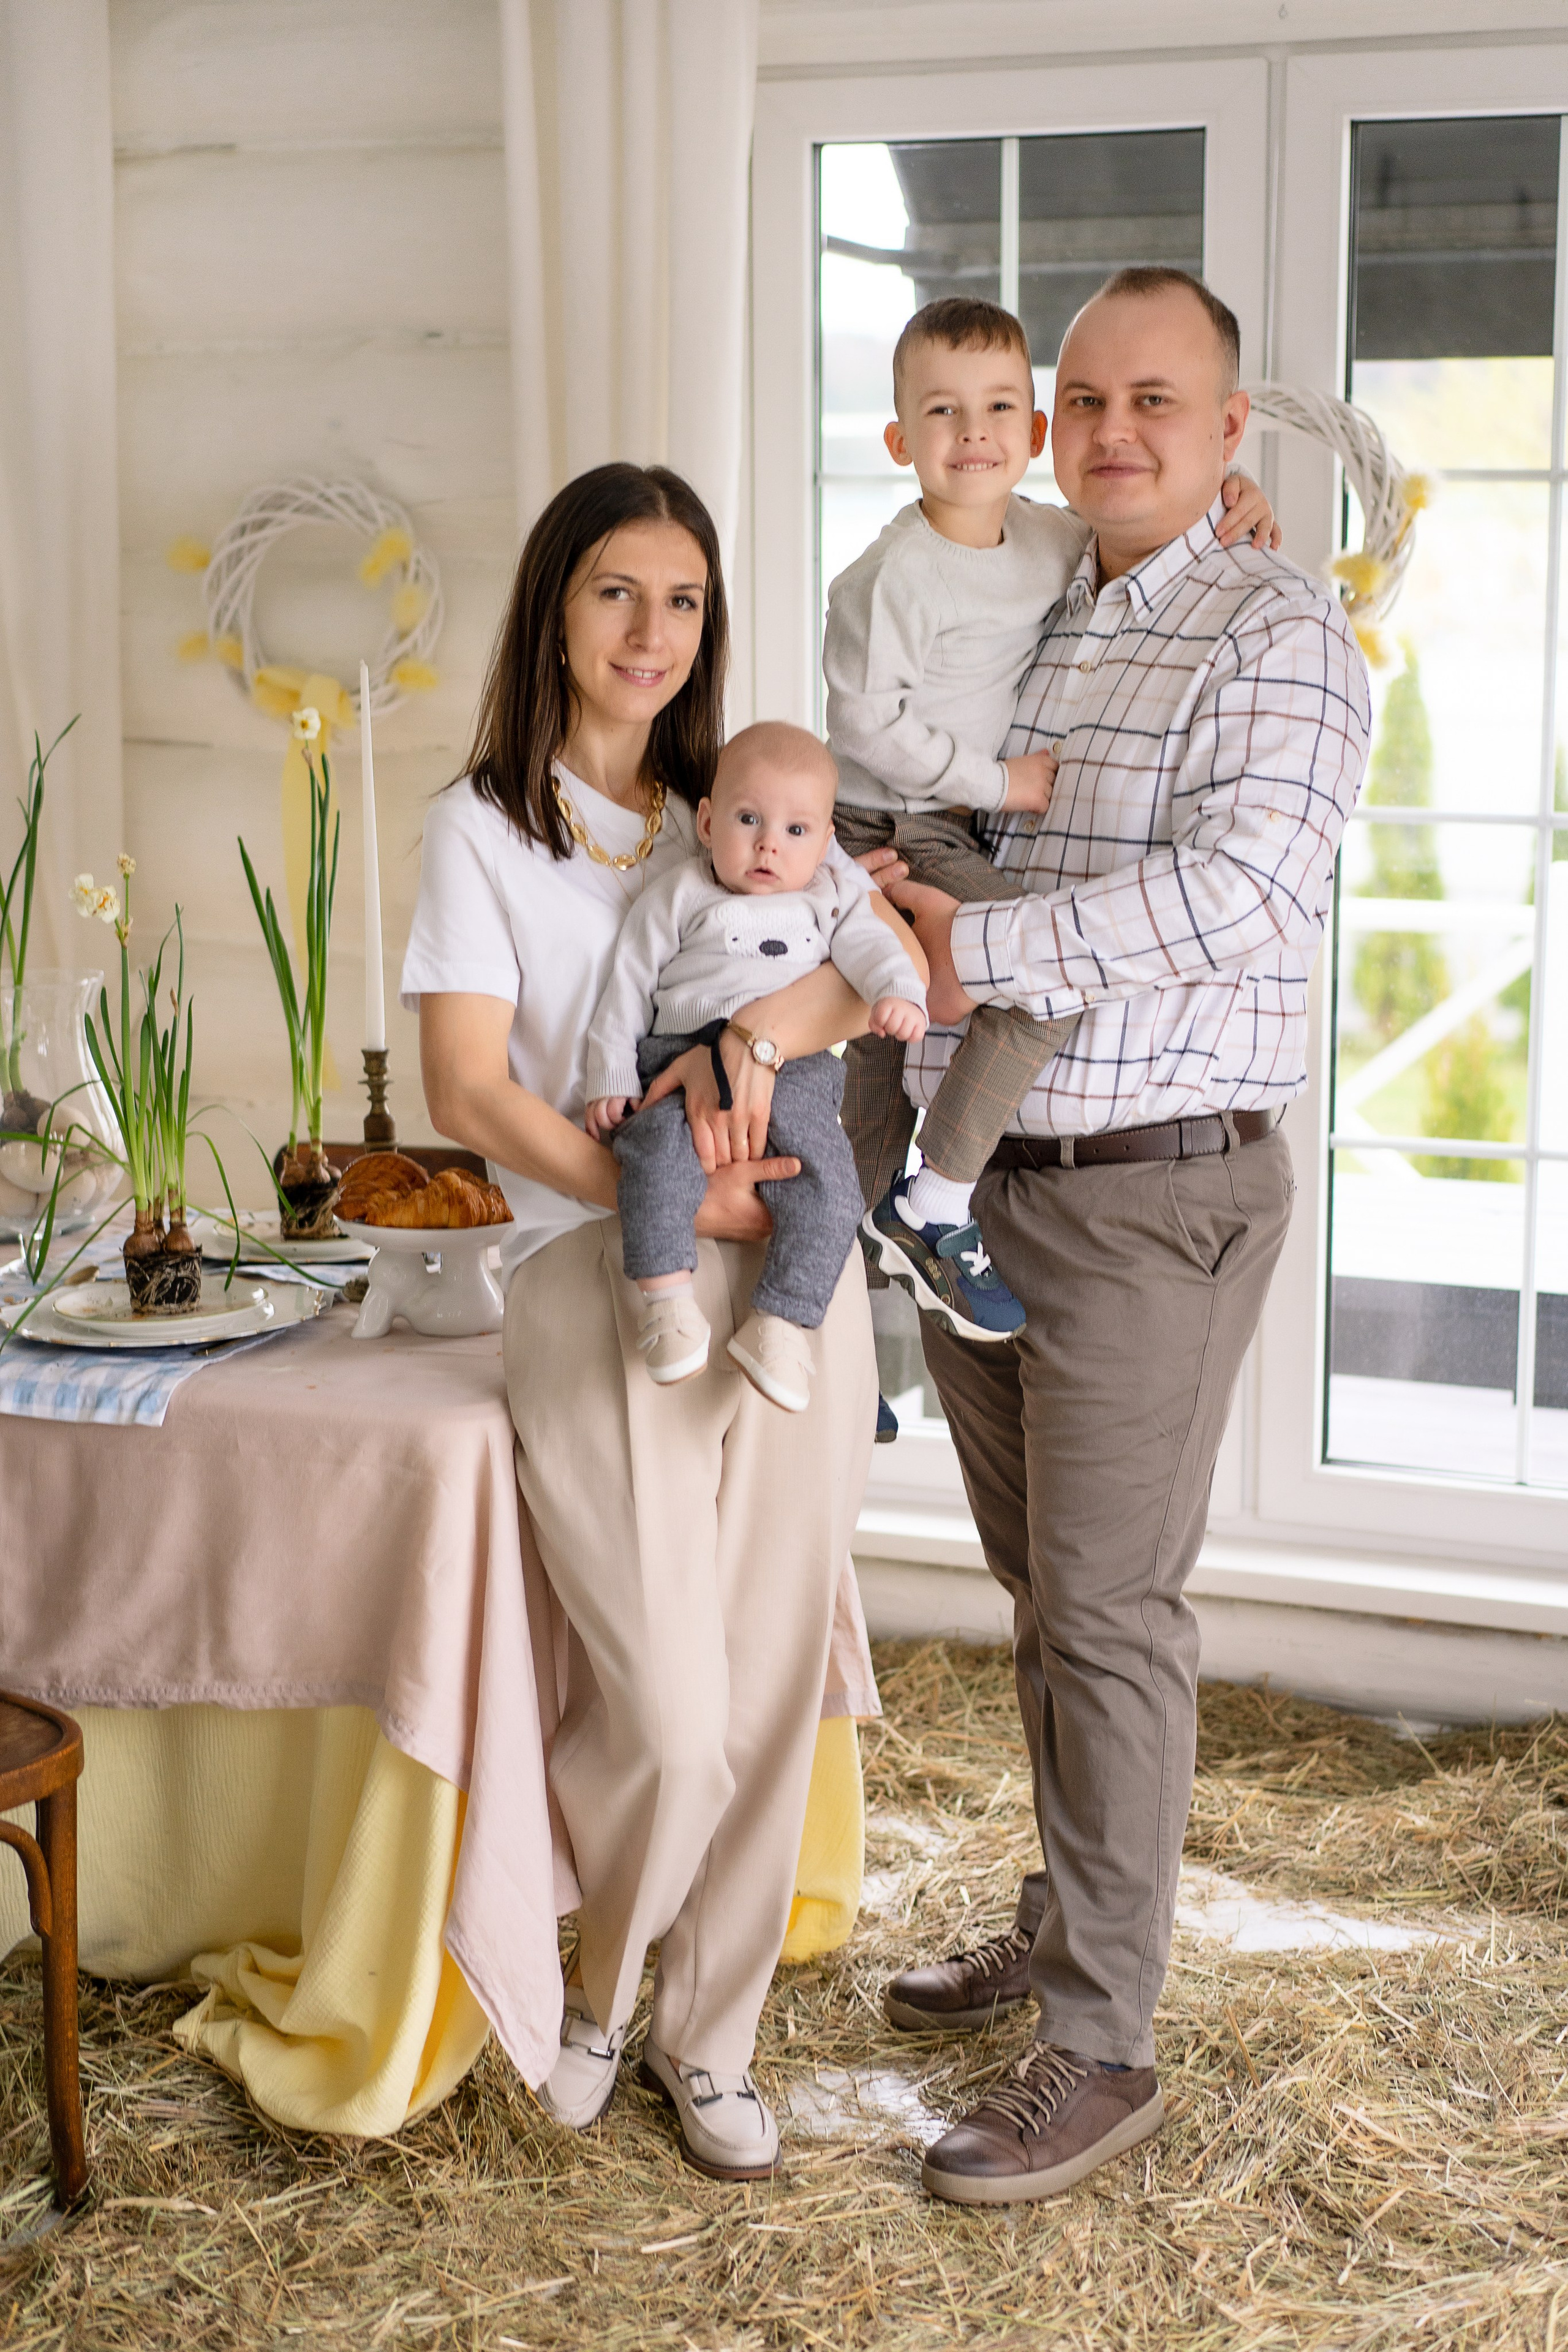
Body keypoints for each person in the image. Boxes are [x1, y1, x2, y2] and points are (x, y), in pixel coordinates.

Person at [879, 266, 1371, 2205]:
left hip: (1156, 1185)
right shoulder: (1044, 598)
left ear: (1230, 425)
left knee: (1106, 1611)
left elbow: (1243, 889)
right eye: (1079, 399)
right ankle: (1061, 1911)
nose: (1106, 431)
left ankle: (1098, 2037)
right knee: (1047, 1597)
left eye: (1152, 400)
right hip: (989, 1178)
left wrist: (962, 948)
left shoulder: (1283, 624)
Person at [404, 462, 910, 2181]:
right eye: (619, 591)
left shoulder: (746, 802)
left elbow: (875, 951)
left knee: (769, 1698)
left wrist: (770, 1035)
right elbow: (472, 1088)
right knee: (674, 1710)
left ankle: (715, 2036)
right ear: (556, 602)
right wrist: (683, 1196)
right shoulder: (483, 830)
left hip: (794, 1293)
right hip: (600, 1281)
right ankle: (603, 1992)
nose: (652, 632)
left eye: (683, 600)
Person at [827, 295, 1279, 1343]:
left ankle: (853, 1273)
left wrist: (1232, 489)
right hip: (896, 821)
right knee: (943, 1030)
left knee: (890, 1064)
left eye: (999, 409)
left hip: (948, 831)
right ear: (901, 440)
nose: (973, 434)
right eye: (942, 413)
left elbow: (1149, 508)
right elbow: (864, 723)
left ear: (1031, 437)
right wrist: (1003, 785)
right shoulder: (888, 577)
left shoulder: (1051, 544)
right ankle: (897, 1231)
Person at [584, 720, 926, 1412]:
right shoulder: (679, 893)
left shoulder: (833, 893)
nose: (770, 843)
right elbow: (626, 985)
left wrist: (898, 994)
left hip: (795, 1073)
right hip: (676, 1060)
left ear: (827, 843)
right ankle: (667, 1302)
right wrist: (612, 1079)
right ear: (707, 823)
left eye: (797, 831)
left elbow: (875, 951)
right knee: (652, 1154)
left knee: (832, 1185)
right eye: (749, 819)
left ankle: (782, 1325)